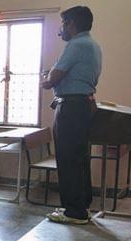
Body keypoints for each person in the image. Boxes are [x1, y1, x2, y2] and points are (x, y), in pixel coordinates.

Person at [42, 6, 101, 224]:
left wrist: (46, 77)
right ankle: (80, 206)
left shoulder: (76, 45)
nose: (61, 29)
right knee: (79, 157)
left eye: (63, 23)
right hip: (82, 105)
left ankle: (74, 212)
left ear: (71, 23)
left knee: (68, 158)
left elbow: (51, 80)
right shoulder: (92, 45)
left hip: (71, 107)